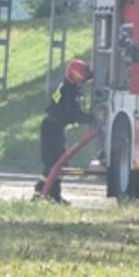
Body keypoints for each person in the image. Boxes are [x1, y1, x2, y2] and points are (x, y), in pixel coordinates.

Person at [37, 59, 92, 203]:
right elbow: (73, 114)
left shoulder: (66, 88)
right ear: (75, 77)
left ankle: (53, 195)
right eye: (82, 81)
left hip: (55, 128)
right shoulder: (68, 92)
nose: (83, 85)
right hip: (51, 129)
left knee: (59, 164)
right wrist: (93, 118)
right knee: (53, 164)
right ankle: (41, 192)